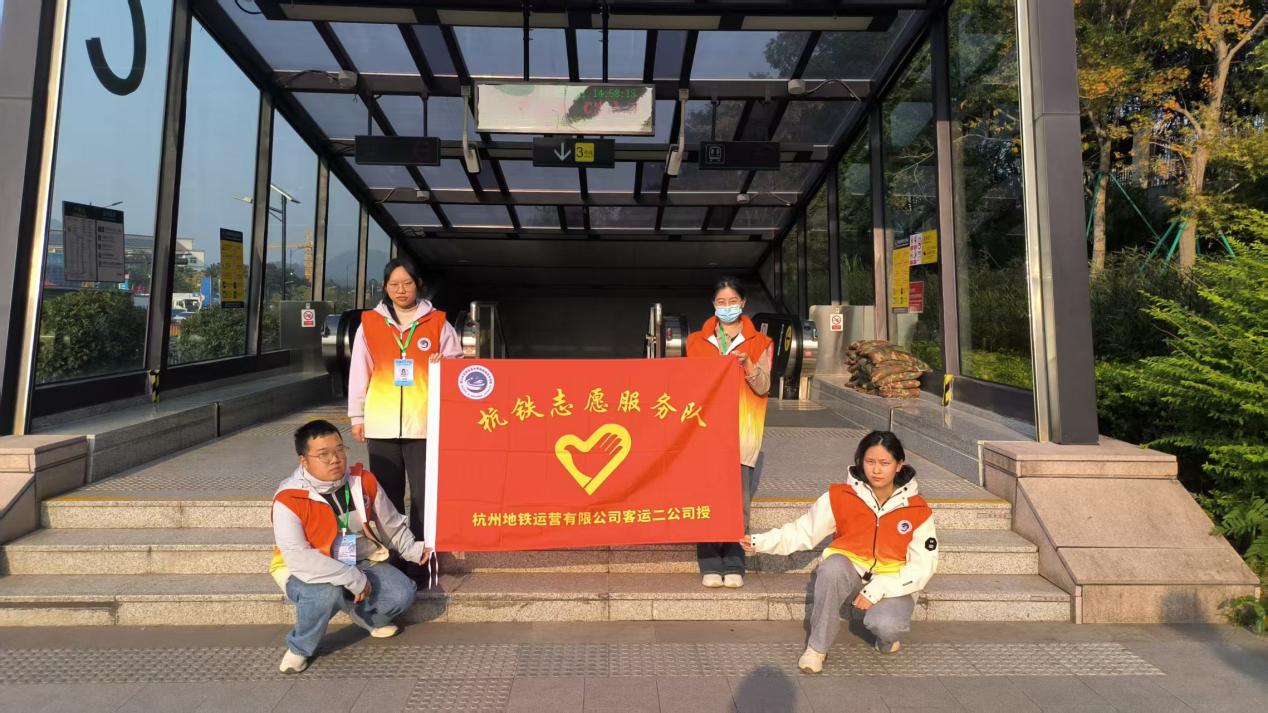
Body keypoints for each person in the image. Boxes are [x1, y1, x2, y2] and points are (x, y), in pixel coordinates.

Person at [741, 431, 938, 673]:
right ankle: (817, 648)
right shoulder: (839, 496)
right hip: (850, 572)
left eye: (884, 463)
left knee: (887, 625)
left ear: (899, 465)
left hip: (892, 583)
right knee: (831, 568)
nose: (876, 470)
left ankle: (887, 640)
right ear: (860, 462)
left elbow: (923, 566)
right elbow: (803, 531)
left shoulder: (918, 509)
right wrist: (759, 542)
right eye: (870, 461)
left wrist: (877, 589)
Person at [272, 419, 433, 674]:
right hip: (307, 568)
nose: (335, 459)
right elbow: (299, 557)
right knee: (327, 592)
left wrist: (413, 550)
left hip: (359, 558)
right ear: (304, 461)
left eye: (339, 450)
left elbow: (390, 524)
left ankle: (365, 616)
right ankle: (299, 647)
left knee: (402, 593)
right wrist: (351, 578)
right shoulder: (288, 498)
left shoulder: (362, 481)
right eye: (323, 455)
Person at [348, 258, 461, 587]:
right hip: (381, 424)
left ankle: (422, 562)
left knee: (424, 498)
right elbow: (359, 371)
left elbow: (458, 366)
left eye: (407, 283)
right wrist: (357, 416)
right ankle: (394, 561)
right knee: (387, 499)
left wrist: (445, 363)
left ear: (418, 284)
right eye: (394, 284)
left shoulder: (438, 322)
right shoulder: (369, 323)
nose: (401, 290)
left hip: (424, 423)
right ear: (385, 287)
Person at [685, 277, 773, 589]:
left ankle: (735, 562)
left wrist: (748, 364)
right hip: (705, 433)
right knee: (707, 498)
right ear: (713, 305)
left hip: (742, 432)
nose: (727, 307)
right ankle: (710, 562)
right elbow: (685, 383)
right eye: (721, 302)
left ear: (743, 303)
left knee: (738, 502)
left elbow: (763, 386)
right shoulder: (696, 342)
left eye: (733, 301)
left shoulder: (761, 342)